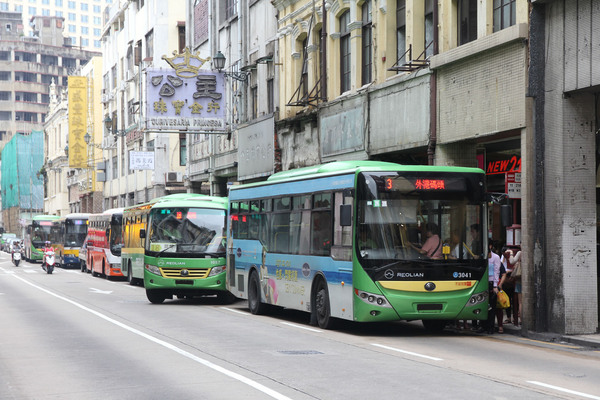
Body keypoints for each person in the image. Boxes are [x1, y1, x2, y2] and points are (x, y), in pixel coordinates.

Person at [478, 241, 501, 334]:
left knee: (491, 306)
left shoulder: (496, 257)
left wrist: (495, 285)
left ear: (490, 246)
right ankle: (482, 326)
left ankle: (490, 327)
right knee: (482, 304)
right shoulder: (481, 257)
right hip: (482, 282)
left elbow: (496, 272)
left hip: (491, 283)